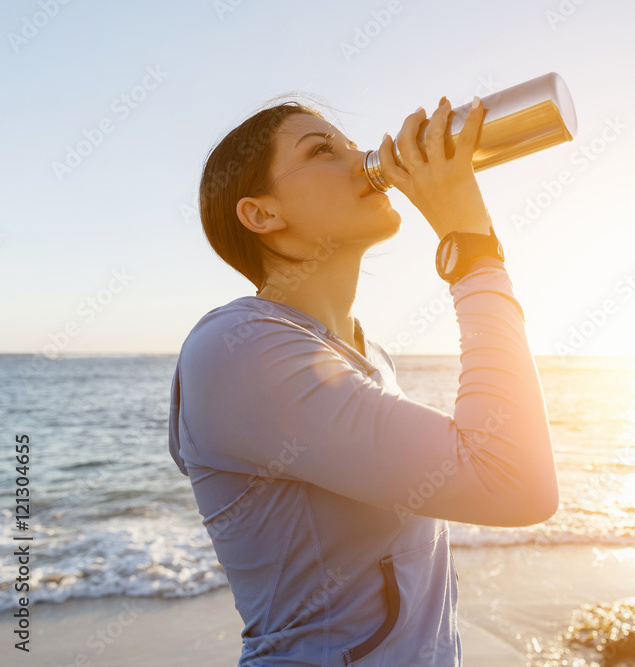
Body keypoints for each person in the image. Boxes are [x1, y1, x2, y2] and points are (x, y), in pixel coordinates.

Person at [167, 92, 558, 666]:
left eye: (353, 145)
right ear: (262, 214)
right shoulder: (238, 350)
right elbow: (514, 479)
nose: (363, 160)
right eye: (323, 149)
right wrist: (469, 245)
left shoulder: (363, 353)